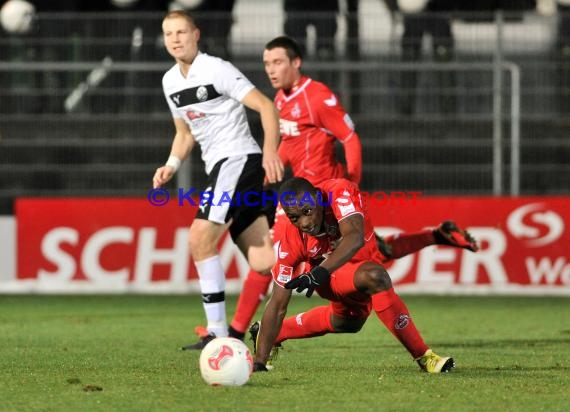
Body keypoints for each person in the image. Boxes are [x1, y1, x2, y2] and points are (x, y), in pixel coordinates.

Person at [208, 35, 476, 346]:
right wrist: (269, 172)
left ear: (296, 63)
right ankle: (435, 236)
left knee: (307, 258)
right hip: (299, 200)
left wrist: (354, 186)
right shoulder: (281, 99)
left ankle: (238, 332)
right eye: (266, 63)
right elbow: (291, 146)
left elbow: (350, 138)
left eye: (278, 62)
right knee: (357, 254)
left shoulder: (318, 96)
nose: (271, 69)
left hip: (323, 200)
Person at [152, 10, 284, 349]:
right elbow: (184, 132)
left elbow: (267, 106)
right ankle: (314, 262)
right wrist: (171, 163)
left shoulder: (216, 69)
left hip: (238, 160)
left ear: (196, 34)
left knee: (199, 239)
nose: (175, 39)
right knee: (264, 261)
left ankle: (217, 333)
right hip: (224, 168)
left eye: (181, 32)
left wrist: (270, 152)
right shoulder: (170, 81)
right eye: (169, 34)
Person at [250, 177, 455, 374]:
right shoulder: (290, 239)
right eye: (294, 217)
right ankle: (426, 358)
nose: (304, 222)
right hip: (332, 278)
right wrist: (259, 363)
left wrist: (317, 273)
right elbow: (277, 304)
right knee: (376, 277)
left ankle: (278, 332)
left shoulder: (339, 192)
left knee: (348, 323)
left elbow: (355, 237)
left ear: (318, 199)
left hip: (332, 271)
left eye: (307, 211)